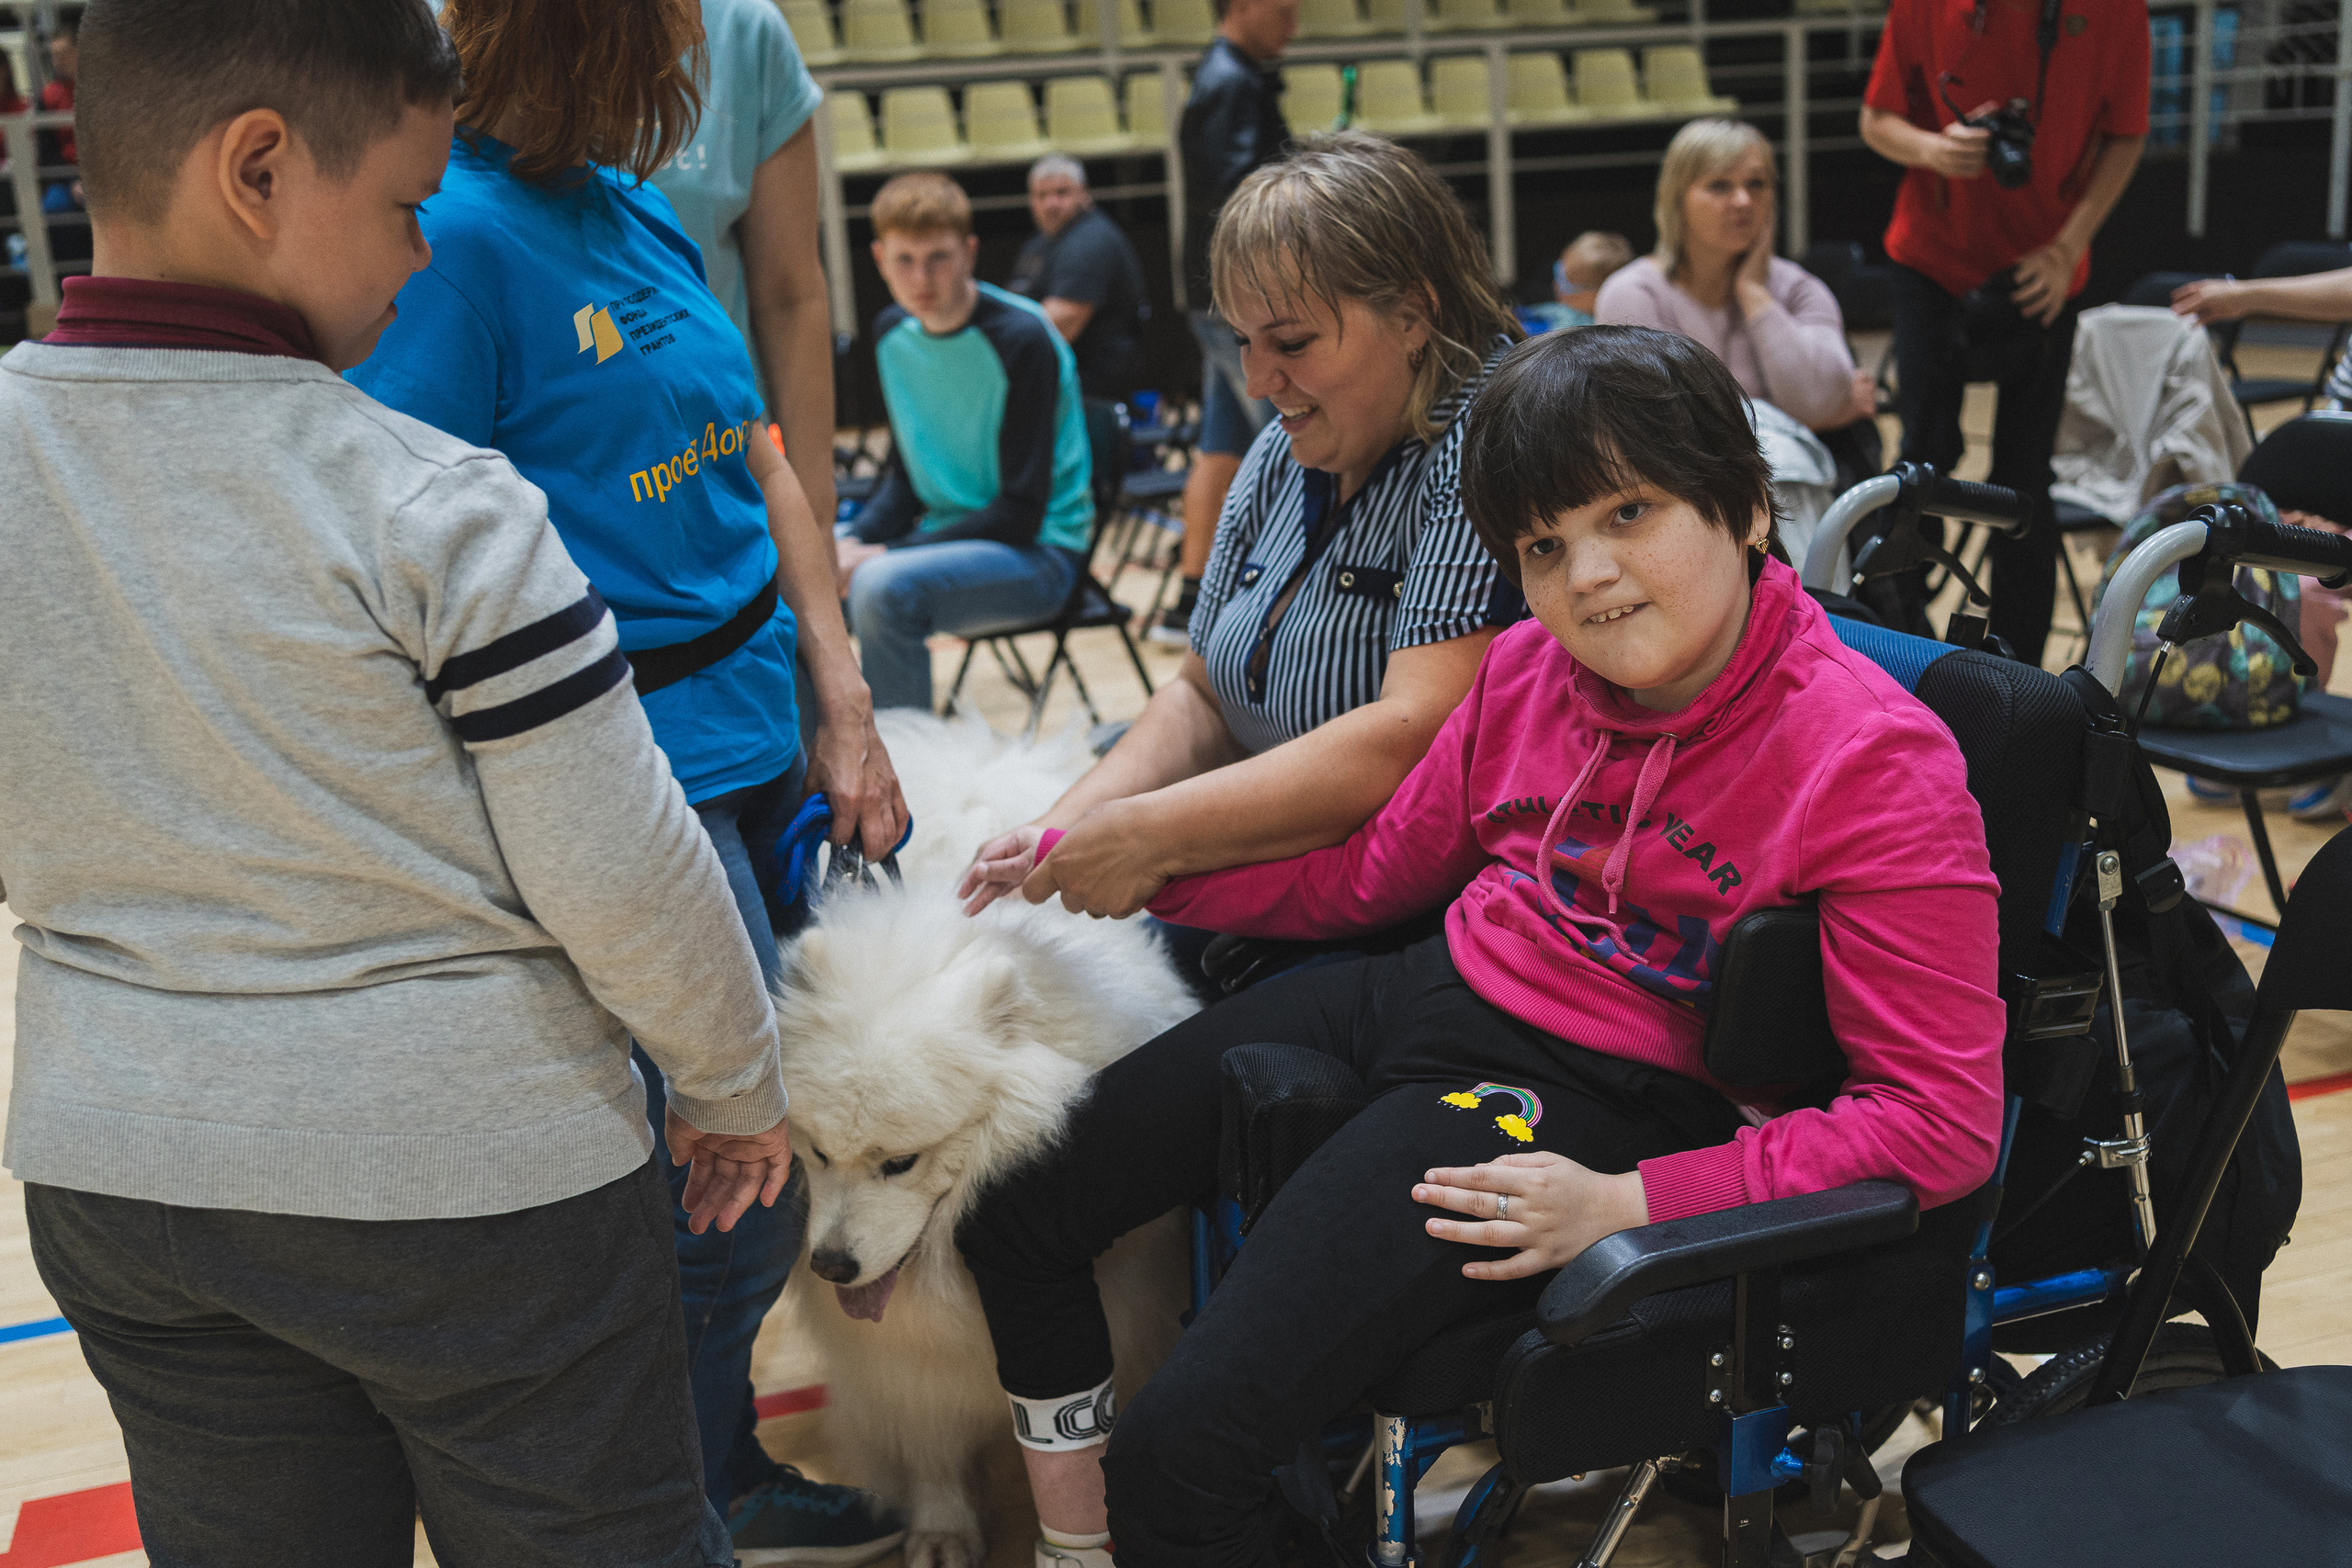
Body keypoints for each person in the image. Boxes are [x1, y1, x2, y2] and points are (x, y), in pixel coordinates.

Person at [956, 325, 2006, 1568]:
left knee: (1183, 1459)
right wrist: (1148, 876)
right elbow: (1370, 875)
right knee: (1012, 1209)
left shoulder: (1874, 762)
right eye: (1546, 545)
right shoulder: (1524, 668)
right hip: (1434, 988)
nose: (1590, 575)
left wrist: (1631, 1203)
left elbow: (1940, 1122)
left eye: (1630, 512)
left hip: (1594, 1094)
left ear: (1747, 511)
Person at [3, 2, 798, 1562]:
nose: (425, 254)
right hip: (476, 1197)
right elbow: (623, 866)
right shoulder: (439, 504)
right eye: (407, 205)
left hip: (121, 1170)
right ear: (259, 169)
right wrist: (729, 1085)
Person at [345, 1, 909, 1560]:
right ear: (596, 46)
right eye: (665, 43)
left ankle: (710, 1471)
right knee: (732, 1210)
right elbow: (405, 557)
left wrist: (840, 682)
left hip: (765, 731)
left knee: (789, 1147)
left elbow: (763, 454)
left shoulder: (630, 203)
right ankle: (653, 1517)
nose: (691, 69)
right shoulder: (451, 238)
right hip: (627, 772)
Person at [959, 133, 1522, 982]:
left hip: (1419, 919)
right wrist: (1059, 835)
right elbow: (1200, 695)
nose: (1256, 380)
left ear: (1413, 315)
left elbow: (1412, 737)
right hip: (1279, 879)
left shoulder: (1487, 441)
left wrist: (1148, 833)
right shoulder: (1282, 449)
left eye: (1291, 343)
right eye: (1244, 341)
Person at [1860, 0, 2148, 666]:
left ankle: (2021, 675)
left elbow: (2128, 135)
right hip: (1930, 259)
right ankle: (1896, 648)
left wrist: (2066, 247)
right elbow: (1875, 120)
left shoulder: (2117, 11)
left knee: (2025, 474)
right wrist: (1932, 148)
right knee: (1922, 456)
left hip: (2045, 265)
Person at [838, 171, 1096, 714]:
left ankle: (904, 777)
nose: (921, 278)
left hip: (1041, 553)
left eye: (939, 257)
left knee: (881, 588)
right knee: (791, 575)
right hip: (948, 537)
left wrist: (882, 553)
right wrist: (850, 543)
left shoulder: (1023, 338)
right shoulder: (892, 335)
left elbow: (1020, 511)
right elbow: (908, 479)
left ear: (970, 252)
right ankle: (818, 772)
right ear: (880, 259)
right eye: (904, 260)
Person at [649, 0, 836, 530]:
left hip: (714, 459)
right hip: (548, 465)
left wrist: (817, 515)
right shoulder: (460, 23)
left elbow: (791, 291)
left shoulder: (744, 27)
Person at [1160, 0, 1299, 644]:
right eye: (1285, 5)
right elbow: (1245, 200)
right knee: (1297, 446)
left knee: (1220, 450)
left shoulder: (1223, 76)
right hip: (1238, 300)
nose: (1295, 18)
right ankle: (1289, 594)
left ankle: (1189, 601)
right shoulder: (1230, 83)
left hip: (1214, 296)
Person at [1596, 119, 1871, 432]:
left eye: (1757, 184)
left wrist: (1753, 291)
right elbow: (1663, 432)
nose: (1743, 201)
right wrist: (1812, 420)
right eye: (1720, 186)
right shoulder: (1633, 294)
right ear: (1677, 202)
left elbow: (1820, 403)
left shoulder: (1799, 288)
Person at [1007, 153, 1148, 417]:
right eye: (1041, 195)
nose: (1051, 203)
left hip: (1091, 390)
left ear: (1084, 195)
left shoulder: (1090, 240)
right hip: (1057, 382)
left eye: (1062, 193)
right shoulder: (1037, 245)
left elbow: (1061, 324)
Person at [1524, 229, 1633, 333]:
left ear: (1597, 295)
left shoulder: (1586, 333)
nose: (1556, 284)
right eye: (1559, 271)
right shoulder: (1551, 311)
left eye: (1567, 283)